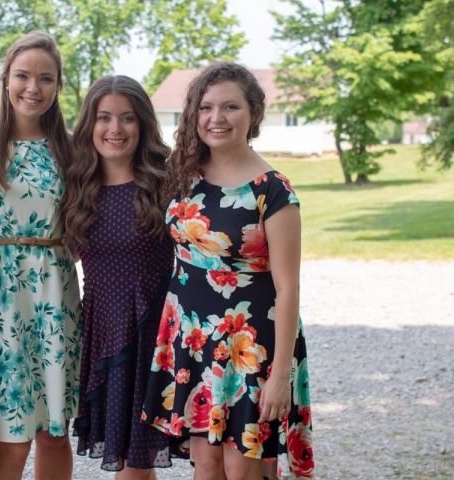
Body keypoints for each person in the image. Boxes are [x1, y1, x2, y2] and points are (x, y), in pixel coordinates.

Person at [142, 62, 315, 480]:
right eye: (206, 107)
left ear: (253, 113)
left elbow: (288, 288)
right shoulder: (185, 174)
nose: (216, 118)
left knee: (242, 469)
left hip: (251, 345)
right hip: (193, 340)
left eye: (231, 107)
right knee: (206, 464)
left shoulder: (273, 190)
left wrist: (278, 378)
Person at [0, 31, 81, 480]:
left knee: (54, 432)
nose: (34, 88)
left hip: (55, 295)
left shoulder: (73, 148)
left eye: (46, 79)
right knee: (12, 435)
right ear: (5, 79)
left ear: (58, 86)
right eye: (23, 76)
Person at [59, 75, 184, 479]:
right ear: (89, 125)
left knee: (135, 463)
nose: (115, 129)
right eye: (104, 118)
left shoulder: (168, 181)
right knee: (132, 462)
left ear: (143, 124)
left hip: (154, 333)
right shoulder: (77, 185)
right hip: (103, 334)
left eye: (127, 118)